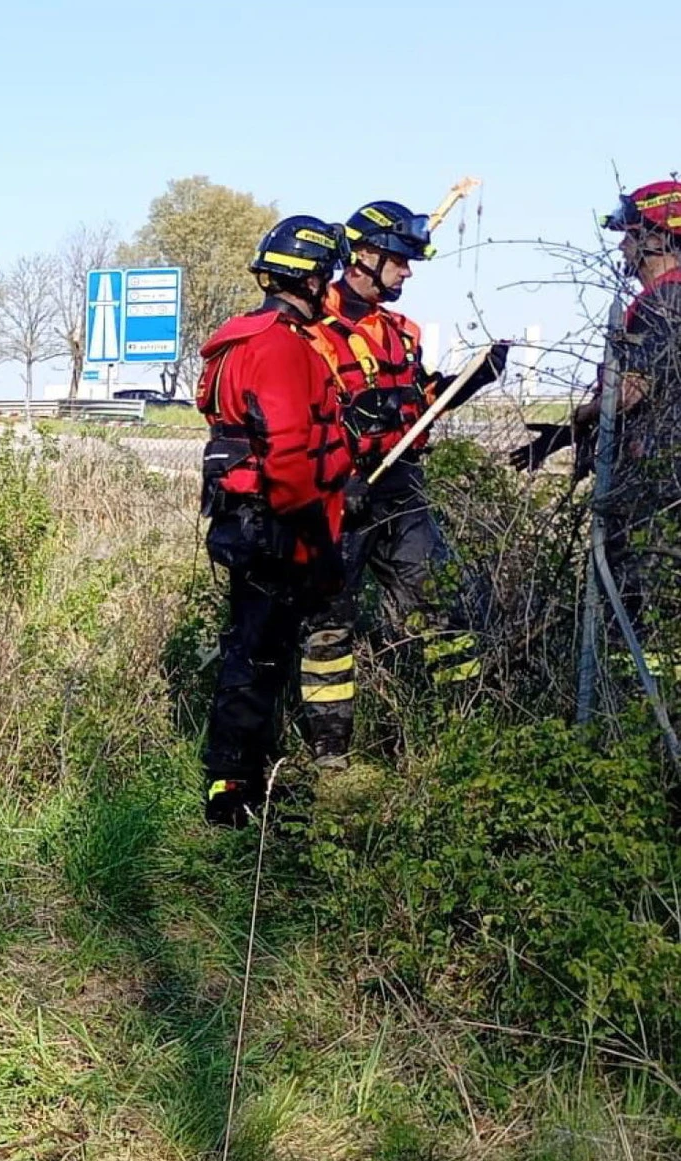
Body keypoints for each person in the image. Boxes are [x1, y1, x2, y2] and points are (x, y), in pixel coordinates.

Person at [296, 201, 509, 767]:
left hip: (401, 490)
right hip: (339, 490)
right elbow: (297, 413)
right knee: (328, 625)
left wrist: (469, 382)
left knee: (444, 605)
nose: (409, 272)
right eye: (401, 260)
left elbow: (419, 403)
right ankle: (330, 754)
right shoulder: (314, 327)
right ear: (364, 256)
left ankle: (463, 726)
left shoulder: (401, 332)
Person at [197, 216, 355, 827]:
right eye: (327, 278)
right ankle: (232, 793)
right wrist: (319, 545)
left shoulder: (241, 340)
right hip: (278, 528)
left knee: (254, 653)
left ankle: (241, 780)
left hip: (247, 522)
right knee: (257, 659)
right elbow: (289, 462)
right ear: (311, 280)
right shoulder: (282, 348)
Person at [516, 182, 681, 661]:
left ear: (657, 237)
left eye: (629, 235)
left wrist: (578, 420)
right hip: (658, 477)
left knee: (635, 608)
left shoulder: (664, 301)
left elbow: (630, 392)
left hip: (651, 486)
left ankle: (635, 714)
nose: (621, 246)